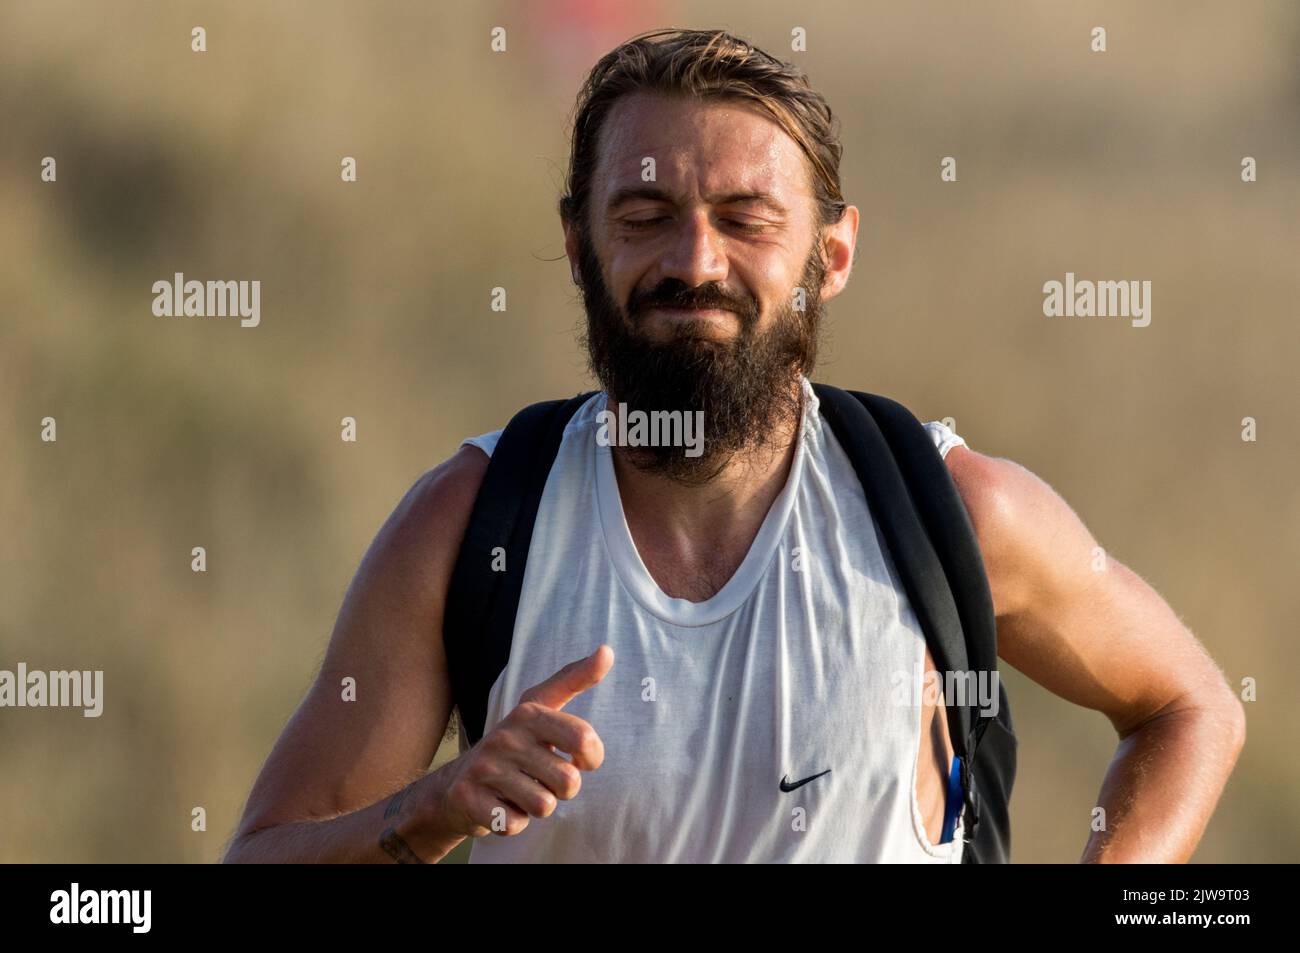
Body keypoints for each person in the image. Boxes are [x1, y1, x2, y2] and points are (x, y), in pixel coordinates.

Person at [225, 28, 1244, 864]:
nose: (693, 260)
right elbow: (265, 854)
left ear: (829, 253)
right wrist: (438, 804)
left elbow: (1189, 705)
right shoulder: (473, 527)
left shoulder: (952, 514)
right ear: (580, 246)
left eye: (744, 218)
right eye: (645, 215)